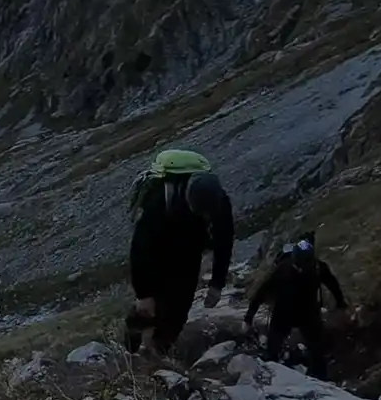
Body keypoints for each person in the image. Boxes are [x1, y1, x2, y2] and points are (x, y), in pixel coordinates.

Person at [125, 149, 236, 356]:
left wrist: (217, 284)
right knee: (146, 310)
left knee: (177, 314)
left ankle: (158, 353)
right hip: (158, 254)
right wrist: (144, 294)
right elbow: (140, 249)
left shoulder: (220, 204)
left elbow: (224, 242)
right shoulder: (158, 202)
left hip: (189, 257)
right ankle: (129, 351)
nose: (203, 216)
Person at [243, 232, 347, 379]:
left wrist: (249, 317)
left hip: (297, 312)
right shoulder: (311, 268)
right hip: (294, 312)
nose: (303, 268)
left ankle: (317, 377)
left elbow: (262, 292)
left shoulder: (295, 268)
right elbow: (262, 291)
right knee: (285, 348)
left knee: (314, 350)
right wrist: (340, 302)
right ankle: (313, 376)